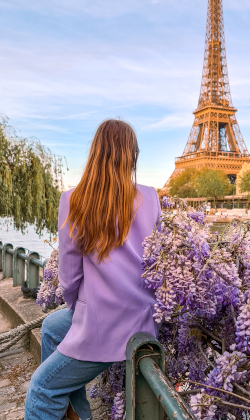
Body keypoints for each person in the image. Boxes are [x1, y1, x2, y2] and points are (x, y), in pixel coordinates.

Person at [24, 119, 161, 420]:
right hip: (142, 319)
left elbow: (69, 277)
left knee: (41, 389)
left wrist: (80, 310)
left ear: (95, 153)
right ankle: (78, 415)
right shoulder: (150, 197)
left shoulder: (75, 199)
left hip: (103, 326)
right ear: (132, 156)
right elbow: (158, 262)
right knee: (50, 328)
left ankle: (60, 405)